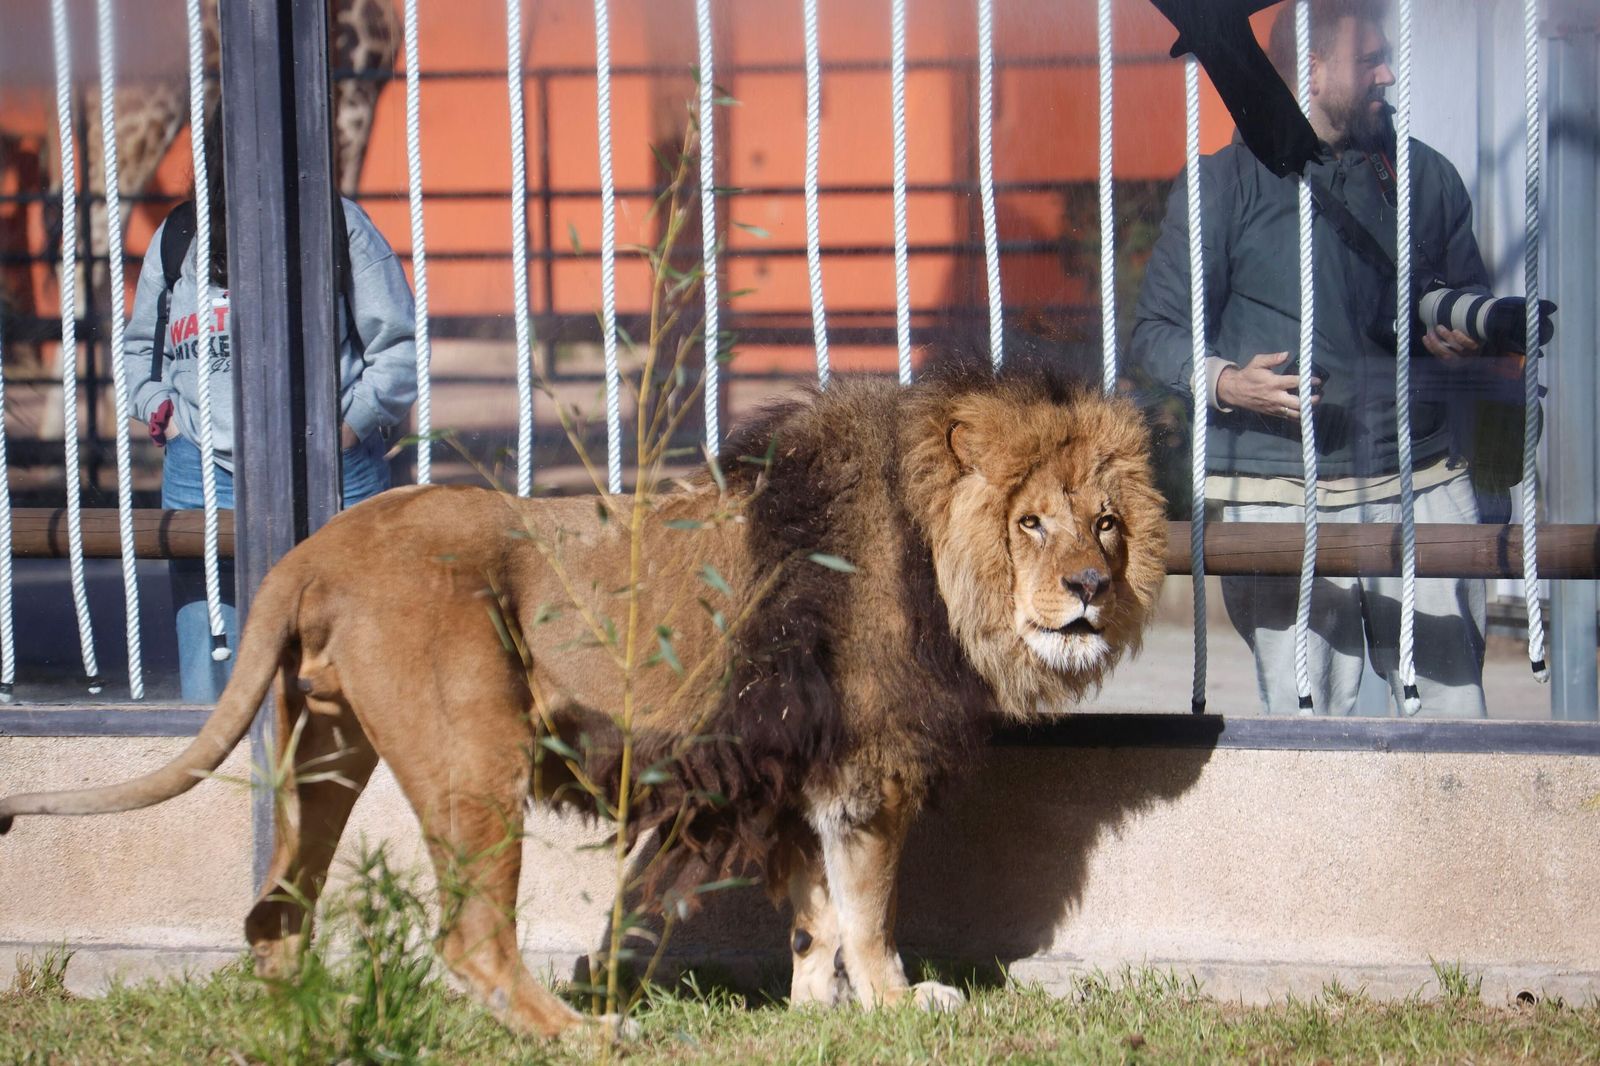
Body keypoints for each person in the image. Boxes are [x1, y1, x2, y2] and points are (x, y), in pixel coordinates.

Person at [1132, 0, 1493, 717]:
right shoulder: (1220, 186)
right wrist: (1228, 383)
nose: (1389, 74)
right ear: (1313, 69)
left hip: (1419, 480)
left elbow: (1469, 298)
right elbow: (1155, 333)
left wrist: (1466, 336)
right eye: (1371, 61)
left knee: (1456, 717)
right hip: (1278, 493)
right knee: (1311, 730)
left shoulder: (1428, 178)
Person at [124, 114, 418, 702]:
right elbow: (139, 350)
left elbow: (399, 347)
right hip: (201, 473)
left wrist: (347, 430)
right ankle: (219, 794)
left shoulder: (338, 227)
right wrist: (167, 416)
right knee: (216, 673)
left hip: (331, 469)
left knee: (353, 665)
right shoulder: (181, 235)